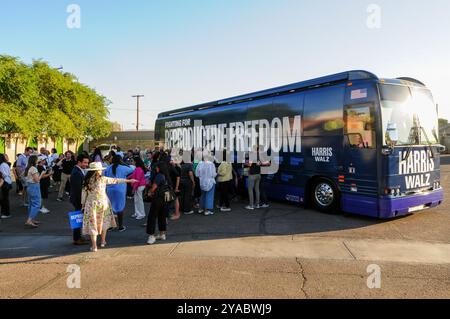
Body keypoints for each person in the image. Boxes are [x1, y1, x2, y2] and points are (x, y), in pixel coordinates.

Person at [82, 162, 137, 252]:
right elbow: (116, 180)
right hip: (104, 203)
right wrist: (129, 180)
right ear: (98, 171)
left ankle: (94, 246)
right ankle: (103, 241)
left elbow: (84, 194)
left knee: (93, 224)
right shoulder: (103, 179)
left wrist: (83, 205)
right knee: (104, 221)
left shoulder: (86, 181)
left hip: (91, 204)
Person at [104, 155, 135, 232]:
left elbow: (104, 175)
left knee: (109, 208)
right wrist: (124, 163)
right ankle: (120, 226)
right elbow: (132, 169)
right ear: (120, 160)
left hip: (110, 189)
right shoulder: (123, 168)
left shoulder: (108, 168)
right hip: (120, 190)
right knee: (120, 207)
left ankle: (110, 226)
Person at [146, 162, 171, 245]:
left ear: (159, 168)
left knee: (152, 217)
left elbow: (154, 186)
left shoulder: (159, 176)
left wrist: (149, 192)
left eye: (157, 167)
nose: (156, 169)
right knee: (162, 216)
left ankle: (151, 236)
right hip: (165, 197)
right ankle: (162, 234)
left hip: (158, 198)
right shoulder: (166, 175)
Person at [70, 153, 90, 246]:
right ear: (79, 162)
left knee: (79, 218)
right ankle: (76, 238)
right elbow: (78, 189)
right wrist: (82, 202)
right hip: (78, 199)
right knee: (77, 218)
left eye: (87, 163)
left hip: (78, 198)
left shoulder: (78, 170)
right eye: (85, 162)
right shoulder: (76, 172)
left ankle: (78, 237)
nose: (86, 164)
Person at [196, 151, 217, 216]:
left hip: (202, 182)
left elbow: (197, 174)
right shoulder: (211, 164)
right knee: (209, 196)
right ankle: (207, 210)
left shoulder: (200, 163)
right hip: (210, 182)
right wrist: (217, 173)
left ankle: (200, 209)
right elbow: (213, 174)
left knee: (202, 195)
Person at [24, 155, 42, 228]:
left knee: (31, 204)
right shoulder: (34, 168)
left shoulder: (28, 168)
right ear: (34, 160)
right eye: (37, 159)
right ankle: (29, 220)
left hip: (29, 186)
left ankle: (31, 219)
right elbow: (37, 180)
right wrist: (42, 174)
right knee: (37, 204)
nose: (38, 160)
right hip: (34, 187)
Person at [0, 154, 12, 219]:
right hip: (7, 182)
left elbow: (4, 174)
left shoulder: (2, 165)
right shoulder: (5, 164)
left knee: (4, 199)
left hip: (5, 183)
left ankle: (6, 213)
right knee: (4, 198)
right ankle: (4, 212)